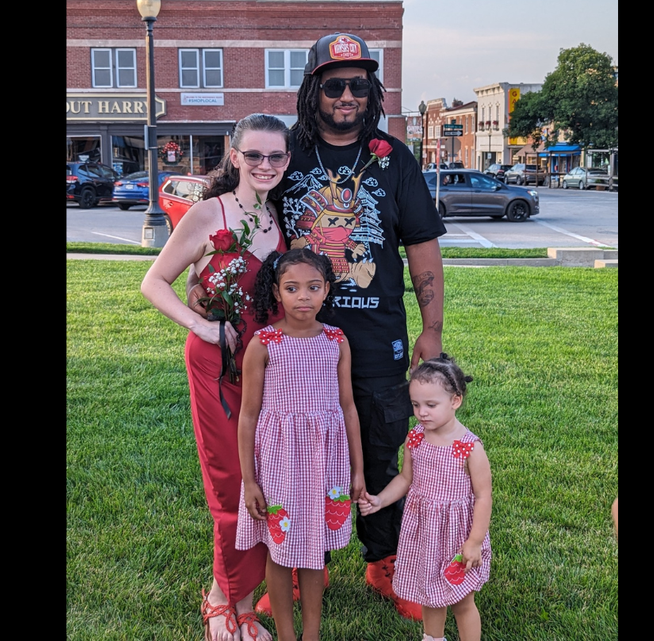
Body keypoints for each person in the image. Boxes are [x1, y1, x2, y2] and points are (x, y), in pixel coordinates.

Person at [185, 30, 446, 621]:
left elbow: (423, 245)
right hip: (294, 333)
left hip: (378, 331)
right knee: (297, 446)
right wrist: (205, 275)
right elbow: (230, 206)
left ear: (372, 90)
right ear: (314, 90)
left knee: (381, 443)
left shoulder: (391, 155)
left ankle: (383, 560)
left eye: (359, 84)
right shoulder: (285, 149)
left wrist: (432, 327)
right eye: (335, 85)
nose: (347, 95)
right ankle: (305, 556)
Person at [141, 113, 292, 641]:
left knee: (268, 477)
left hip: (271, 371)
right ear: (235, 157)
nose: (265, 165)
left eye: (276, 156)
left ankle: (251, 591)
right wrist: (202, 328)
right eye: (254, 155)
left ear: (287, 161)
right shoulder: (208, 215)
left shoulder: (281, 221)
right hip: (217, 366)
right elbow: (154, 282)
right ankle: (225, 601)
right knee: (231, 483)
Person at [235, 248, 366, 641]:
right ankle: (287, 636)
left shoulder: (336, 340)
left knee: (312, 550)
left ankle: (312, 635)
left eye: (312, 287)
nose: (303, 296)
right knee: (280, 549)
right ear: (277, 293)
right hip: (280, 464)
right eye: (292, 288)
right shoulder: (264, 344)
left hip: (326, 462)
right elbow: (248, 415)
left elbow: (347, 406)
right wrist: (249, 479)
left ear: (327, 289)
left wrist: (358, 470)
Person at [357, 354, 492, 641]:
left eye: (431, 405)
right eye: (416, 405)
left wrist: (475, 542)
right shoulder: (416, 437)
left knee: (462, 600)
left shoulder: (469, 448)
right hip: (425, 534)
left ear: (455, 401)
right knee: (430, 595)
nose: (422, 412)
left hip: (457, 536)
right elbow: (406, 479)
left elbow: (483, 496)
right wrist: (381, 500)